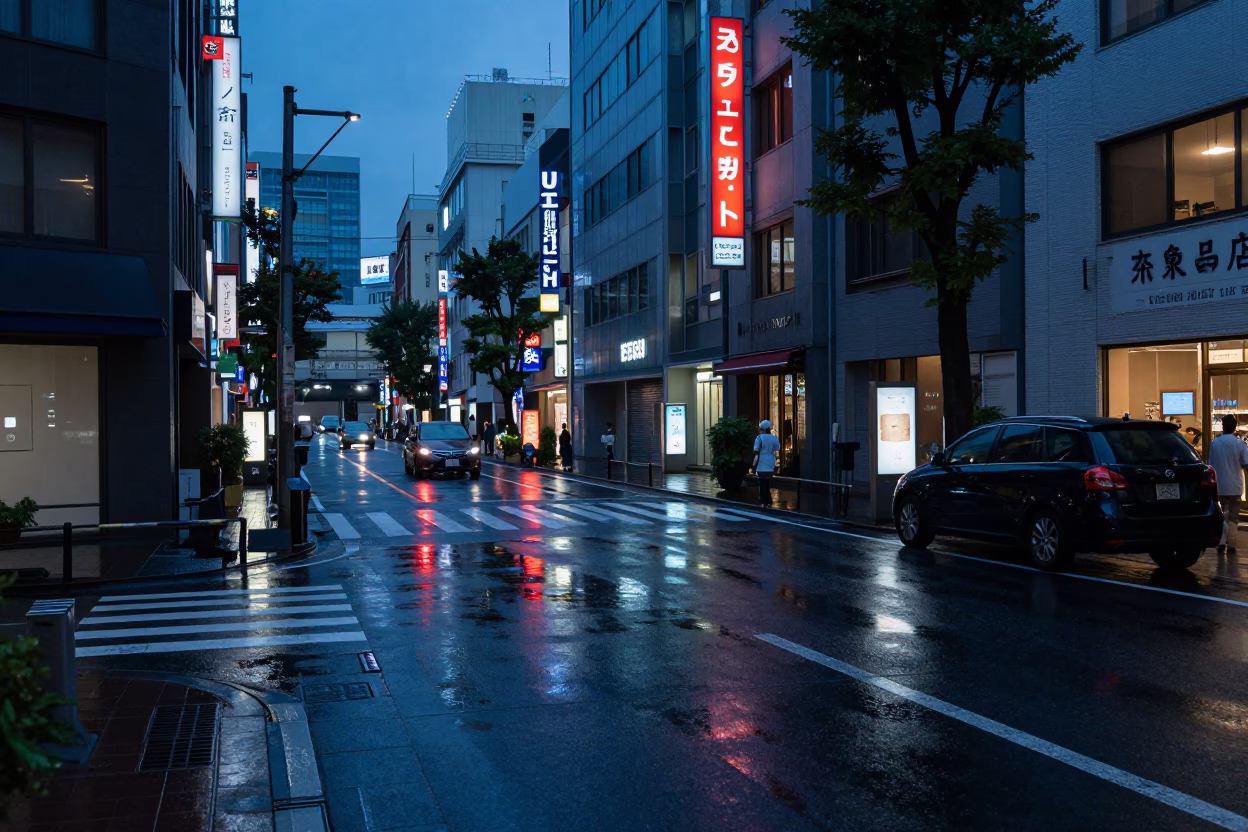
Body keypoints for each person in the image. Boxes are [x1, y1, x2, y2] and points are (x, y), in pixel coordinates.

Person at [1208, 414, 1248, 556]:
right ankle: (1231, 544)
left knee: (1222, 514)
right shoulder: (1240, 444)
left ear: (1223, 426)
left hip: (1220, 485)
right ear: (1235, 427)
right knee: (1233, 515)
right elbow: (1245, 463)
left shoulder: (1215, 443)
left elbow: (1210, 465)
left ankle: (1221, 542)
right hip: (1235, 485)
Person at [751, 419, 782, 507]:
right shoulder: (774, 437)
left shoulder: (759, 438)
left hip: (761, 460)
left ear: (762, 429)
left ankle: (763, 501)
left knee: (762, 482)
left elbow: (756, 450)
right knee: (767, 482)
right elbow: (778, 447)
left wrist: (753, 464)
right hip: (771, 460)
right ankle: (769, 501)